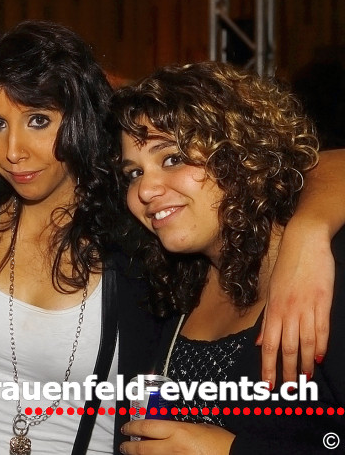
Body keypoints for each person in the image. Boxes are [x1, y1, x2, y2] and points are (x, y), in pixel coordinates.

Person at [0, 22, 345, 455]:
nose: (13, 150)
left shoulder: (142, 245)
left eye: (39, 120)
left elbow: (324, 163)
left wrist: (308, 232)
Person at [112, 61, 345, 453]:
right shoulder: (174, 285)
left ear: (240, 155)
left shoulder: (324, 278)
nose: (145, 190)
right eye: (133, 173)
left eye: (171, 158)